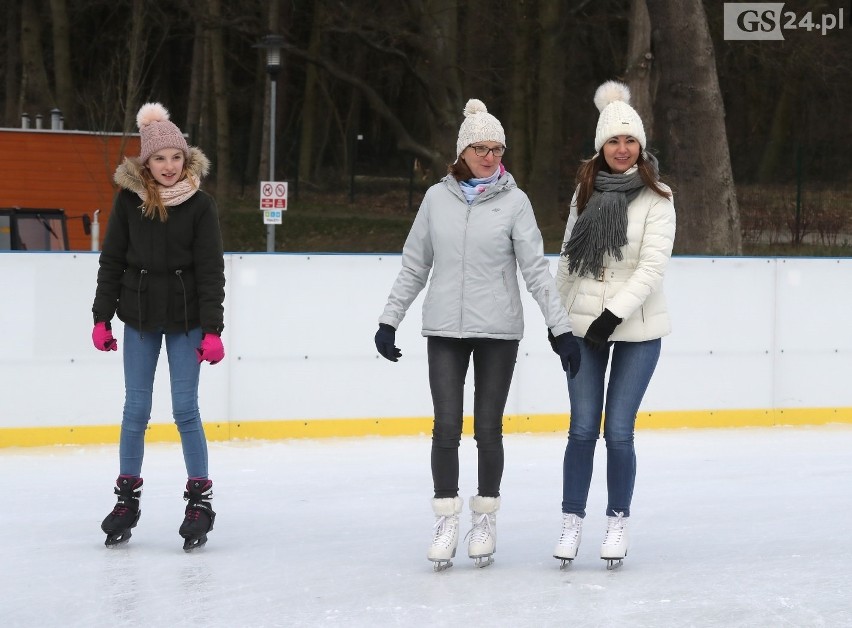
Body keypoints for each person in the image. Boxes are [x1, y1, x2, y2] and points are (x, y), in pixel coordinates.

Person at [374, 99, 581, 571]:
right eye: (479, 148)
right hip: (445, 328)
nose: (488, 156)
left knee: (488, 429)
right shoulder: (434, 199)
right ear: (462, 153)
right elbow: (414, 264)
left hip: (498, 332)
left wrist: (560, 329)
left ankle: (484, 518)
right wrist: (389, 320)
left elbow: (535, 269)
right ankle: (446, 519)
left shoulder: (515, 201)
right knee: (445, 428)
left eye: (496, 148)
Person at [552, 81, 676, 569]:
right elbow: (567, 259)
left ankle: (617, 520)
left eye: (630, 141)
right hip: (583, 328)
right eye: (613, 141)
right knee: (582, 428)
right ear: (600, 147)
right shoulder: (583, 193)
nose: (622, 150)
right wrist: (558, 319)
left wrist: (611, 315)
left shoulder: (658, 197)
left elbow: (650, 268)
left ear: (640, 147)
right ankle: (571, 521)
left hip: (637, 331)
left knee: (618, 430)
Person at [92, 102, 226, 551]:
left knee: (185, 410)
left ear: (185, 159)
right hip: (140, 318)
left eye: (175, 157)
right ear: (145, 163)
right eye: (159, 158)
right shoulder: (129, 202)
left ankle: (199, 501)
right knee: (135, 410)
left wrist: (213, 329)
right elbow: (111, 260)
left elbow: (211, 270)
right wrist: (101, 317)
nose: (169, 167)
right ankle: (127, 499)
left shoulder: (201, 206)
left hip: (188, 321)